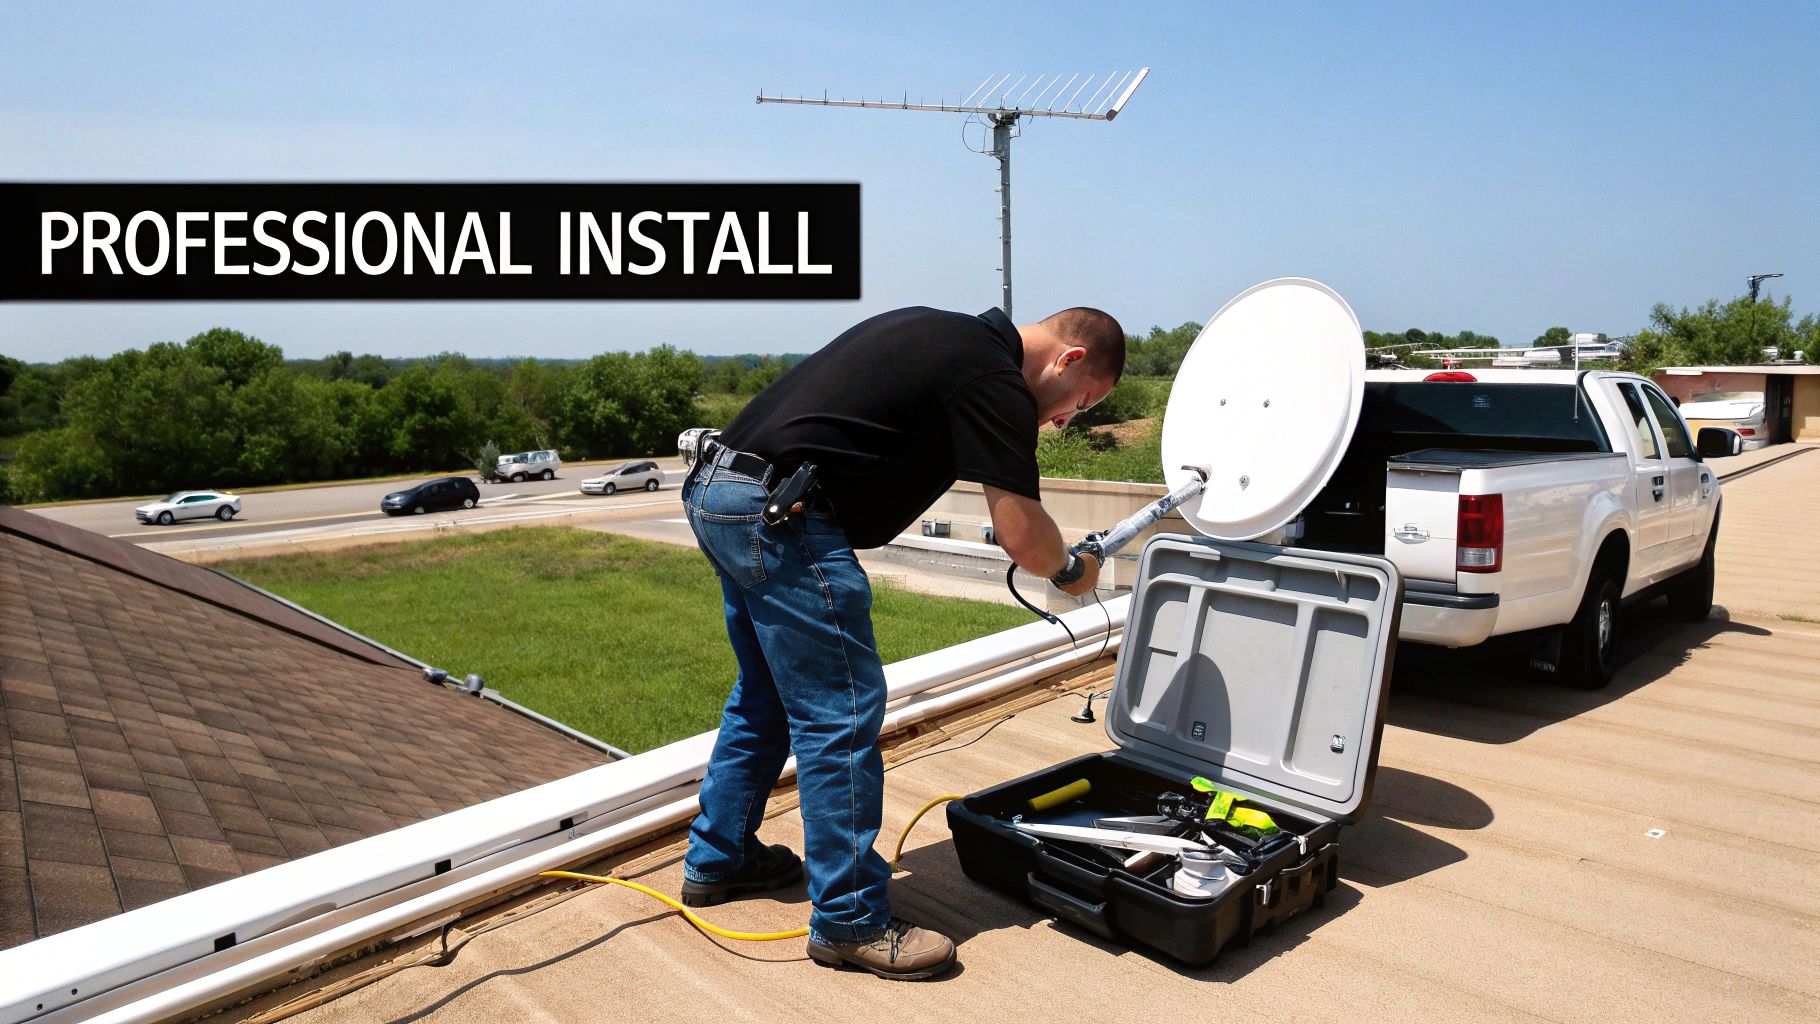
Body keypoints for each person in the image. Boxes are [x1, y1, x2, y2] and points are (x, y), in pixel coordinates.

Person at [677, 305, 1125, 980]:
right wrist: (1070, 568)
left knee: (766, 695)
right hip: (785, 513)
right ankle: (849, 922)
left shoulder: (943, 334)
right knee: (842, 711)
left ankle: (721, 858)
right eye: (1081, 404)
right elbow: (1023, 534)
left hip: (724, 490)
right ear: (1068, 361)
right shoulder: (994, 377)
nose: (1065, 422)